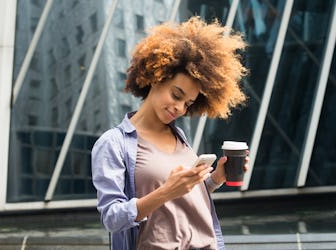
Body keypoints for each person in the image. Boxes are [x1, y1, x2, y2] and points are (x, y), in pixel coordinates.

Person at [91, 16, 249, 250]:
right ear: (156, 78)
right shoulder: (114, 143)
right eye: (176, 95)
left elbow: (185, 197)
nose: (179, 108)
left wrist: (215, 179)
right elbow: (112, 218)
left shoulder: (179, 136)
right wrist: (164, 192)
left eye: (188, 104)